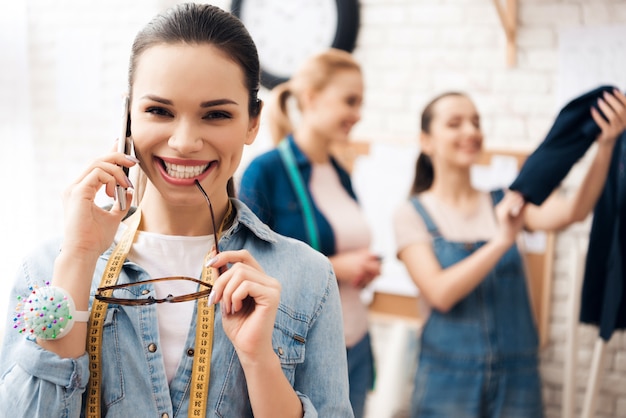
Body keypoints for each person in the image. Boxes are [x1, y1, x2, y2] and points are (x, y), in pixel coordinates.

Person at [0, 4, 354, 417]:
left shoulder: (308, 277)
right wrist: (77, 261)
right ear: (127, 117)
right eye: (159, 111)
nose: (185, 142)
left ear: (252, 123)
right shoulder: (47, 267)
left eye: (216, 114)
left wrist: (260, 361)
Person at [393, 90, 626, 418]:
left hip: (519, 377)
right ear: (426, 140)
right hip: (447, 380)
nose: (470, 132)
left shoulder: (506, 201)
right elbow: (440, 293)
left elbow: (574, 212)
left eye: (476, 122)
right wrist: (502, 240)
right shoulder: (411, 214)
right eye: (455, 124)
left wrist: (604, 148)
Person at [238, 48, 381, 418]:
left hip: (356, 340)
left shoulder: (340, 171)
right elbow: (245, 270)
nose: (357, 114)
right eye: (350, 101)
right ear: (312, 98)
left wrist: (358, 270)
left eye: (360, 103)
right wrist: (339, 268)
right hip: (301, 354)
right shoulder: (265, 172)